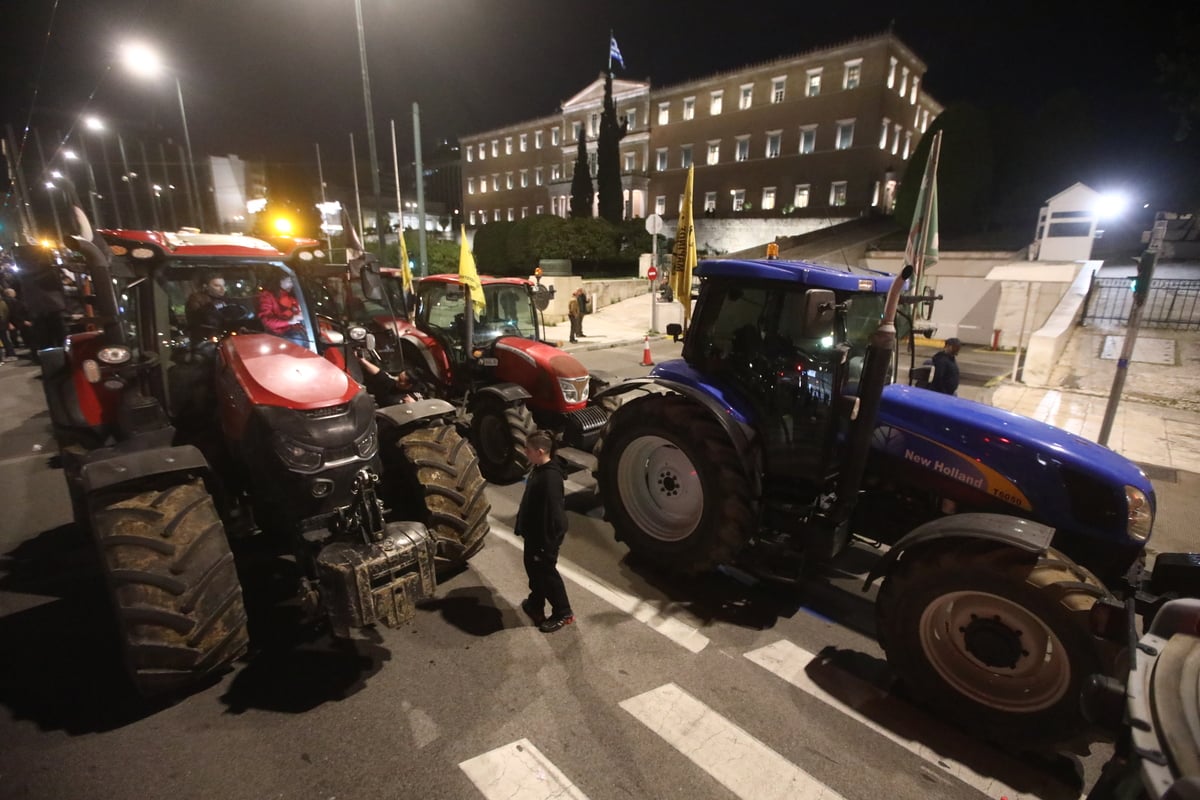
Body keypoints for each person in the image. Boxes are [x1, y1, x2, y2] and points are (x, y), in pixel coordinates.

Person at [515, 430, 574, 633]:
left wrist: (546, 546)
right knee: (534, 571)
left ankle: (563, 612)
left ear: (540, 451)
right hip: (534, 535)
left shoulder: (550, 478)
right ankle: (535, 604)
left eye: (528, 449)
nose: (525, 451)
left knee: (546, 573)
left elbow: (554, 516)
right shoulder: (540, 467)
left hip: (543, 538)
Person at [257, 274, 306, 346]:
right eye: (290, 281)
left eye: (293, 281)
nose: (292, 284)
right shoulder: (267, 296)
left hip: (298, 331)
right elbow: (266, 321)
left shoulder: (291, 296)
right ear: (280, 280)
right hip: (281, 335)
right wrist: (289, 321)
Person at [358, 358, 425, 405]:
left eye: (400, 380)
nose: (396, 379)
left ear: (408, 385)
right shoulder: (391, 383)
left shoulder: (417, 393)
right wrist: (362, 360)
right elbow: (379, 373)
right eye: (398, 377)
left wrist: (414, 406)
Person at [185, 274, 230, 342]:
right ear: (206, 286)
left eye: (223, 285)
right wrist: (211, 306)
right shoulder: (196, 299)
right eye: (217, 286)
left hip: (227, 338)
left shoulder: (227, 300)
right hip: (206, 341)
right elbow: (196, 319)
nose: (223, 289)